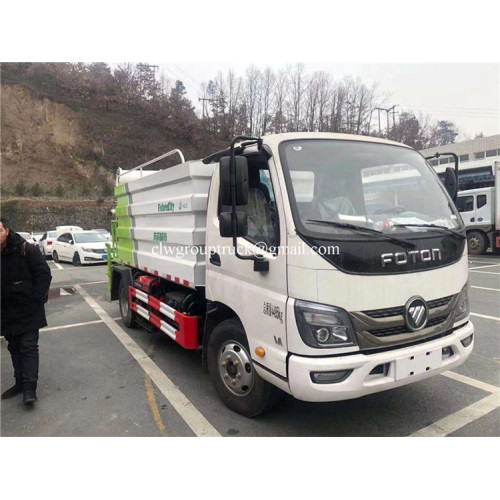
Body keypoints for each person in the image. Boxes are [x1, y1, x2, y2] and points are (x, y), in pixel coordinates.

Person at [1, 218, 52, 405]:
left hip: (27, 309)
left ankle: (30, 388)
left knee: (28, 347)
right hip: (5, 312)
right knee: (13, 347)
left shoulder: (26, 250)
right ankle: (19, 383)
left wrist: (36, 298)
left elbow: (44, 274)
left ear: (7, 230)